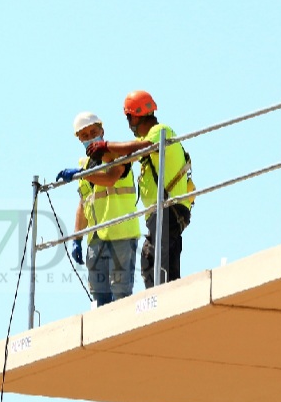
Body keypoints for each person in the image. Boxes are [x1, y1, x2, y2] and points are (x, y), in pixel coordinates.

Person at [85, 91, 192, 289]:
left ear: (133, 116)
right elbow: (123, 162)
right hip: (161, 212)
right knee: (154, 260)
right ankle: (170, 298)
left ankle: (165, 302)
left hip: (169, 209)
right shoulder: (146, 144)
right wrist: (99, 157)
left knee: (157, 261)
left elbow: (140, 147)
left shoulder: (161, 131)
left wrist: (105, 145)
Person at [56, 111, 140, 306]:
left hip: (121, 232)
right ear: (79, 139)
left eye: (93, 132)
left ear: (102, 130)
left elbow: (111, 178)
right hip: (96, 238)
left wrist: (81, 174)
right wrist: (77, 238)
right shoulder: (85, 164)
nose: (89, 138)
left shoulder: (117, 153)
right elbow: (83, 204)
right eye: (84, 136)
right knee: (98, 295)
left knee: (121, 292)